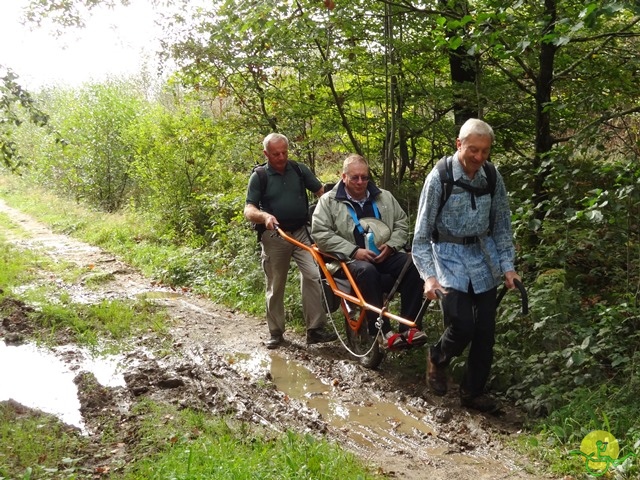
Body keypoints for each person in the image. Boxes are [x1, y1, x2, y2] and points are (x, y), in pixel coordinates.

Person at [412, 118, 521, 413]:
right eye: (473, 150)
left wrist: (508, 267)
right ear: (459, 144)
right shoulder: (439, 178)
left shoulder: (492, 177)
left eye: (485, 151)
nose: (479, 157)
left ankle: (472, 393)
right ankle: (437, 357)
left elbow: (501, 226)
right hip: (447, 258)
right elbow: (421, 235)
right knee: (462, 324)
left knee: (485, 332)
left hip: (483, 260)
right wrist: (428, 277)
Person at [311, 154, 427, 349]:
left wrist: (391, 246)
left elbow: (401, 223)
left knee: (414, 265)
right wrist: (354, 251)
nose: (360, 182)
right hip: (347, 261)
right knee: (367, 270)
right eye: (355, 177)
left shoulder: (384, 197)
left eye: (364, 177)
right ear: (343, 176)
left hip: (383, 256)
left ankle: (409, 327)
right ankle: (381, 332)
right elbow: (320, 234)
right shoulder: (328, 201)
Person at [244, 133, 337, 349]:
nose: (281, 157)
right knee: (276, 284)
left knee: (314, 275)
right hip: (275, 235)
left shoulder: (298, 169)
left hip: (301, 231)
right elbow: (249, 209)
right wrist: (265, 217)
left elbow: (321, 193)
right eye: (276, 153)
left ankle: (315, 329)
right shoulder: (259, 176)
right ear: (266, 153)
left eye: (284, 152)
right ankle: (276, 332)